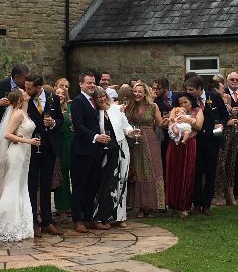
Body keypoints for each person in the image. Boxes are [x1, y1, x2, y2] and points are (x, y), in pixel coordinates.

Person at [0, 88, 40, 242]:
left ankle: (19, 223)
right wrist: (29, 141)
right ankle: (3, 224)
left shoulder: (25, 112)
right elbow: (7, 134)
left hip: (24, 153)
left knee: (21, 186)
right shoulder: (18, 113)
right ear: (21, 97)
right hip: (16, 153)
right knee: (12, 185)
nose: (27, 92)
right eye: (24, 92)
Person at [24, 73, 63, 237]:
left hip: (49, 147)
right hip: (32, 148)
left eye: (29, 88)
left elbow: (60, 118)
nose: (26, 90)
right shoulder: (25, 100)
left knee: (47, 184)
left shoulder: (53, 98)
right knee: (32, 184)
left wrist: (53, 123)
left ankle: (47, 220)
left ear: (39, 88)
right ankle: (33, 221)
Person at [184, 74, 228, 215]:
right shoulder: (189, 101)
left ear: (199, 88)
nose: (189, 92)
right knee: (197, 172)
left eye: (191, 90)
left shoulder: (213, 97)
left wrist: (222, 123)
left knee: (210, 172)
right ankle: (197, 203)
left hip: (213, 139)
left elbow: (225, 114)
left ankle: (207, 204)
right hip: (196, 140)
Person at [69, 71, 107, 232]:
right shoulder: (78, 101)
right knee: (80, 186)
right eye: (88, 83)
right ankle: (77, 220)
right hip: (82, 151)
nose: (91, 85)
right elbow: (78, 126)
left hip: (95, 151)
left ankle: (89, 217)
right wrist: (96, 137)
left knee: (93, 185)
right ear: (81, 84)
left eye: (93, 83)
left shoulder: (93, 101)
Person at [126, 81, 166, 218]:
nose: (137, 94)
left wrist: (166, 123)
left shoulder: (153, 106)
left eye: (139, 92)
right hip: (135, 141)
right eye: (135, 91)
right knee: (138, 170)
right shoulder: (130, 107)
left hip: (150, 140)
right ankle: (141, 207)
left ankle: (152, 206)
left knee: (152, 170)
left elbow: (160, 123)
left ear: (145, 94)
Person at [93, 88, 131, 228]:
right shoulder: (96, 113)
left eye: (103, 96)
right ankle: (107, 214)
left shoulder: (117, 109)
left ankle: (121, 216)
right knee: (109, 182)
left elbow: (126, 127)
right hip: (107, 152)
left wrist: (132, 132)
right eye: (99, 97)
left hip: (122, 147)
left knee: (122, 180)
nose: (102, 99)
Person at [165, 95, 202, 217]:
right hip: (174, 143)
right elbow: (170, 121)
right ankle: (174, 204)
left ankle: (185, 205)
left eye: (185, 102)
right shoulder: (175, 110)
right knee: (174, 172)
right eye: (180, 103)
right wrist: (174, 121)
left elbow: (198, 126)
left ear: (191, 101)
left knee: (187, 172)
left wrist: (188, 120)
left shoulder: (197, 111)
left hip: (189, 142)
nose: (183, 105)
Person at [217, 71, 238, 206]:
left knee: (231, 163)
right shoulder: (213, 102)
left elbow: (232, 117)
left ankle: (230, 194)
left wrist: (233, 119)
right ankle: (219, 194)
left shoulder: (228, 99)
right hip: (221, 134)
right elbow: (216, 121)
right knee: (220, 164)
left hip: (234, 134)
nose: (223, 90)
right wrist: (226, 124)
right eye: (221, 88)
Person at [52, 78, 74, 220]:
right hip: (58, 145)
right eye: (57, 93)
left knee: (76, 175)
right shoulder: (52, 108)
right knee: (62, 176)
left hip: (72, 143)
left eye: (62, 93)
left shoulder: (71, 107)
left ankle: (75, 204)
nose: (60, 95)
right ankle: (62, 208)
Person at [0, 64, 29, 129]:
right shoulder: (0, 85)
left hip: (20, 125)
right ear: (16, 76)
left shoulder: (26, 87)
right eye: (25, 78)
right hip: (1, 124)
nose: (26, 80)